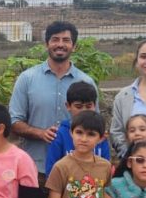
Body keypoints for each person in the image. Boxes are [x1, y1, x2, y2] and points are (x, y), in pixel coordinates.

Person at [9, 21, 96, 180]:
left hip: (76, 170)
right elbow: (14, 122)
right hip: (35, 168)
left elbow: (94, 126)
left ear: (74, 46)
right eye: (55, 39)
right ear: (46, 44)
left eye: (66, 40)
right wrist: (40, 133)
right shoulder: (27, 79)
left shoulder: (86, 82)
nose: (60, 44)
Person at [44, 81, 111, 176]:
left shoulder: (100, 134)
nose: (84, 111)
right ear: (68, 106)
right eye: (78, 107)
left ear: (95, 105)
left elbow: (106, 170)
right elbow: (51, 173)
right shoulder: (59, 135)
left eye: (88, 106)